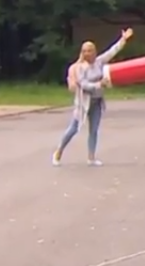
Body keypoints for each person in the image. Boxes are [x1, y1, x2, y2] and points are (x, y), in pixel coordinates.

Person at [52, 28, 134, 167]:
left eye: (90, 50)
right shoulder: (80, 68)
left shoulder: (99, 62)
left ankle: (91, 157)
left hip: (96, 102)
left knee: (94, 130)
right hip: (83, 103)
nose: (87, 53)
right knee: (73, 129)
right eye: (85, 51)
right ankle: (59, 151)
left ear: (95, 52)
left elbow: (112, 51)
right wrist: (99, 84)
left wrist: (123, 39)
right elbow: (83, 84)